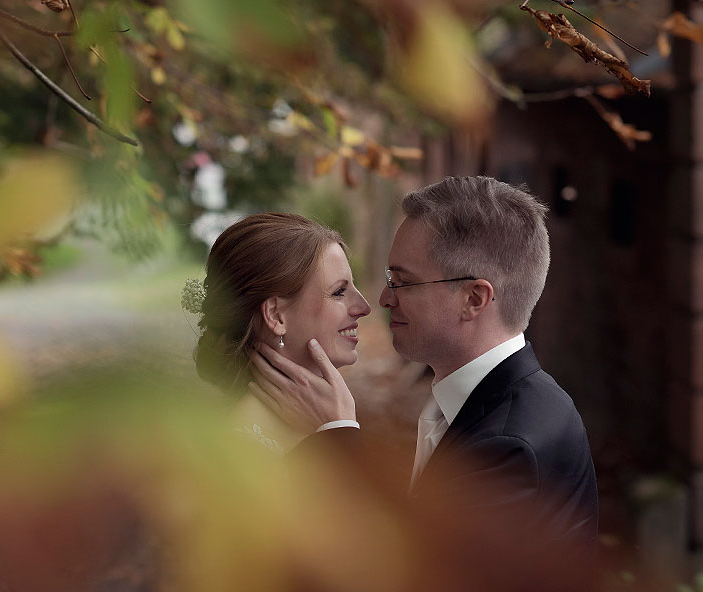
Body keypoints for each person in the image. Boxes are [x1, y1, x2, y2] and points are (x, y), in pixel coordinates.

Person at [249, 176, 599, 551]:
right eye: (389, 278)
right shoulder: (501, 403)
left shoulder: (507, 446)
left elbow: (414, 589)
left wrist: (337, 435)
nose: (382, 300)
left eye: (403, 282)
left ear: (474, 299)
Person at [189, 212, 372, 455]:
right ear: (275, 316)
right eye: (339, 292)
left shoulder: (313, 423)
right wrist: (341, 429)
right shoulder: (246, 450)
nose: (364, 307)